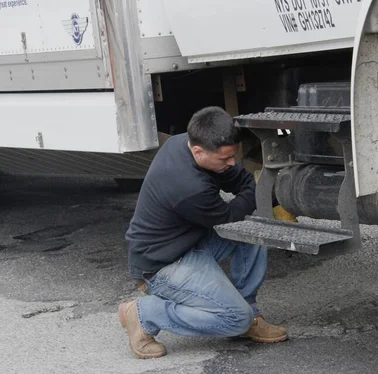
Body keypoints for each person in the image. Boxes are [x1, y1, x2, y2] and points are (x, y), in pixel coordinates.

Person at [119, 106, 288, 359]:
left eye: (233, 156)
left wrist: (249, 191)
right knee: (234, 318)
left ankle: (251, 313)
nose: (231, 163)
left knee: (253, 227)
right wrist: (255, 193)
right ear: (198, 151)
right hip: (161, 265)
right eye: (224, 159)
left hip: (188, 243)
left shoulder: (185, 143)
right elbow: (231, 214)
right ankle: (145, 313)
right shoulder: (190, 187)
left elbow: (240, 180)